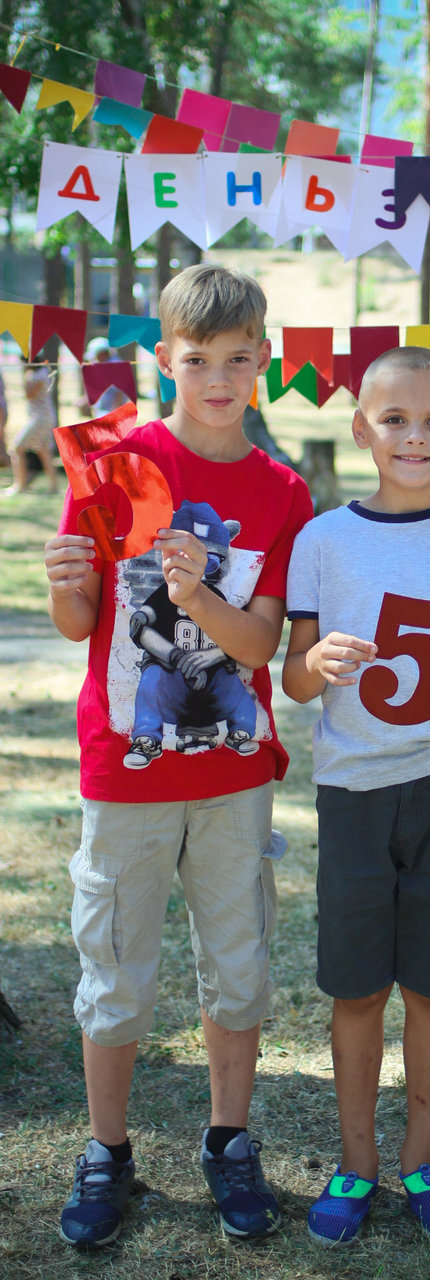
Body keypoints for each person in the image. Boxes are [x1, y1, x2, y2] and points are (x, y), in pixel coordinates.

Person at [43, 263, 313, 1249]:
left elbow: (260, 645)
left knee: (237, 967)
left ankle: (229, 1139)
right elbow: (79, 620)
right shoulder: (115, 463)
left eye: (238, 359)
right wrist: (62, 578)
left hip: (233, 777)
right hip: (126, 772)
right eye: (197, 359)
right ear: (164, 358)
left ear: (263, 361)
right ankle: (106, 1149)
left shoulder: (282, 491)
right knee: (116, 967)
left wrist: (197, 595)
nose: (218, 378)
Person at [282, 346, 430, 1246]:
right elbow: (294, 679)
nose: (413, 437)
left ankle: (423, 1155)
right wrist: (315, 661)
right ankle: (357, 1162)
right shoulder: (321, 539)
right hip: (353, 793)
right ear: (361, 430)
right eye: (394, 420)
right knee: (355, 990)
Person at [3, 354, 59, 496]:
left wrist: (24, 376)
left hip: (40, 419)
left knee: (16, 448)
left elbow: (29, 394)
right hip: (43, 418)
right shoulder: (41, 373)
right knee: (44, 451)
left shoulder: (38, 375)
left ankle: (19, 485)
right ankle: (54, 487)